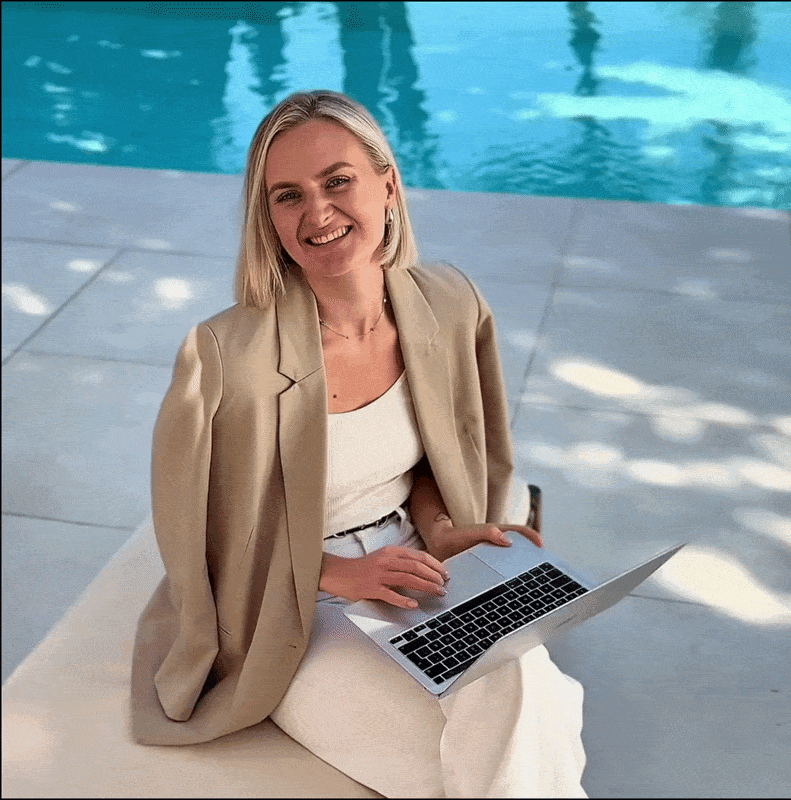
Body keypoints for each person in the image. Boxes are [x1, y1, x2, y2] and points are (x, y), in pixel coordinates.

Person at [130, 90, 587, 797]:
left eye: (337, 181)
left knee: (518, 684)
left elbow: (438, 459)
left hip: (417, 566)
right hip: (289, 605)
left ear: (388, 185)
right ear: (267, 218)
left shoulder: (447, 303)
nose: (317, 213)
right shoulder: (225, 355)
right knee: (486, 748)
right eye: (288, 195)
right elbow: (204, 537)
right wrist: (337, 574)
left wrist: (442, 528)